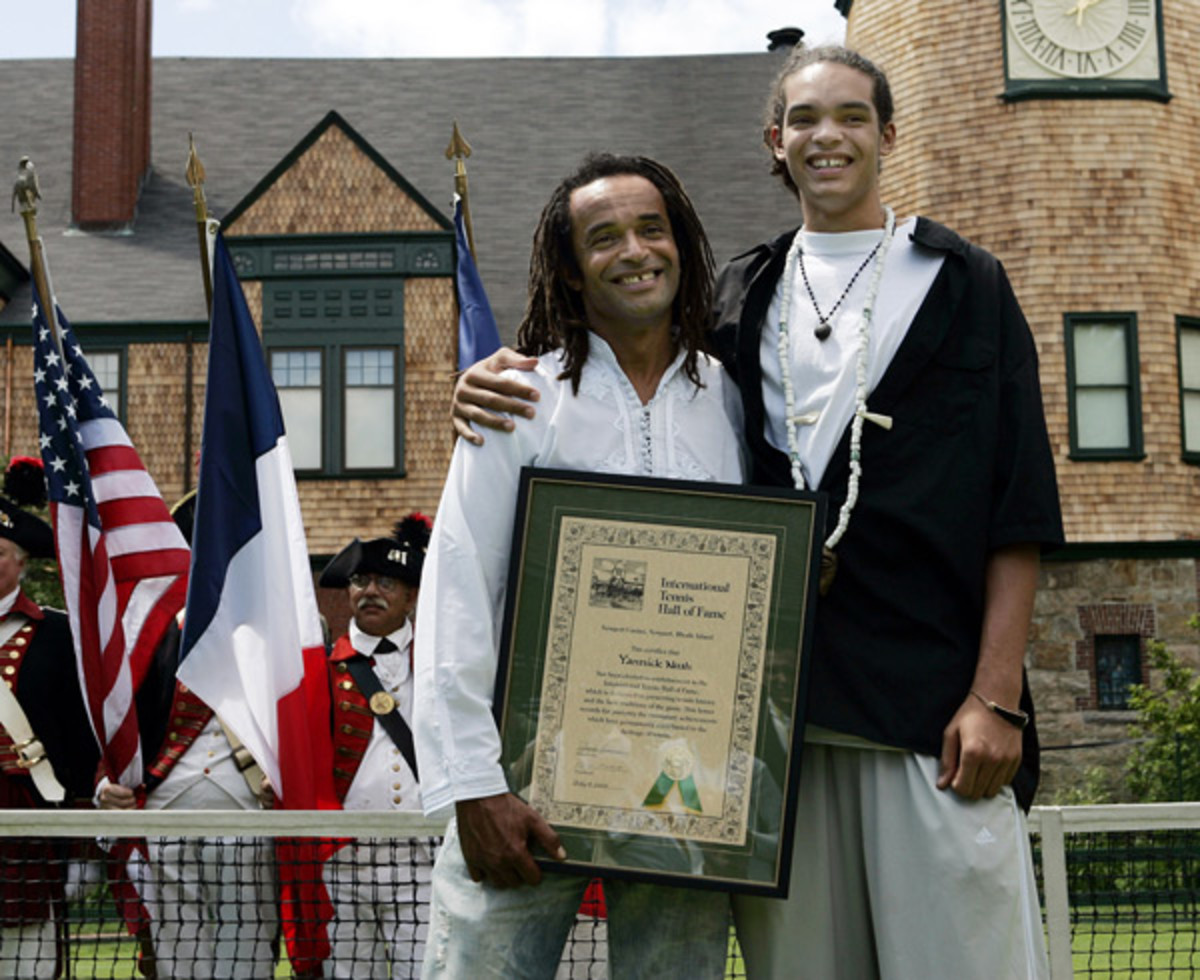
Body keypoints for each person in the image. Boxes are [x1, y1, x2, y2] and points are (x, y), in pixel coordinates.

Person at [450, 46, 1064, 980]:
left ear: (889, 133)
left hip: (928, 718)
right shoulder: (739, 304)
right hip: (767, 744)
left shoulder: (966, 284)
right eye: (806, 119)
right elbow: (470, 577)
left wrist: (997, 695)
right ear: (773, 143)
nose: (830, 137)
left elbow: (1017, 504)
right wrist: (488, 378)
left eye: (853, 116)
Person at [413, 153, 741, 979]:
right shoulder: (520, 396)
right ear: (570, 263)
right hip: (522, 786)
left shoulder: (728, 397)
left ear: (684, 244)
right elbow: (459, 589)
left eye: (651, 228)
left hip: (685, 796)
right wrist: (474, 787)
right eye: (604, 237)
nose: (634, 250)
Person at [97, 490, 278, 980]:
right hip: (165, 801)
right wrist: (104, 785)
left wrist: (284, 779)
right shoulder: (148, 630)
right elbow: (119, 713)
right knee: (177, 945)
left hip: (245, 803)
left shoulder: (278, 626)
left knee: (248, 937)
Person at [317, 514, 434, 979]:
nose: (370, 591)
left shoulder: (437, 661)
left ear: (411, 595)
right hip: (346, 859)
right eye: (361, 581)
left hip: (423, 857)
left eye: (387, 581)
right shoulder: (321, 668)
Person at [0, 457, 99, 980]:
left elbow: (79, 740)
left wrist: (82, 844)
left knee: (29, 956)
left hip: (28, 823)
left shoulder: (58, 635)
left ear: (21, 562)